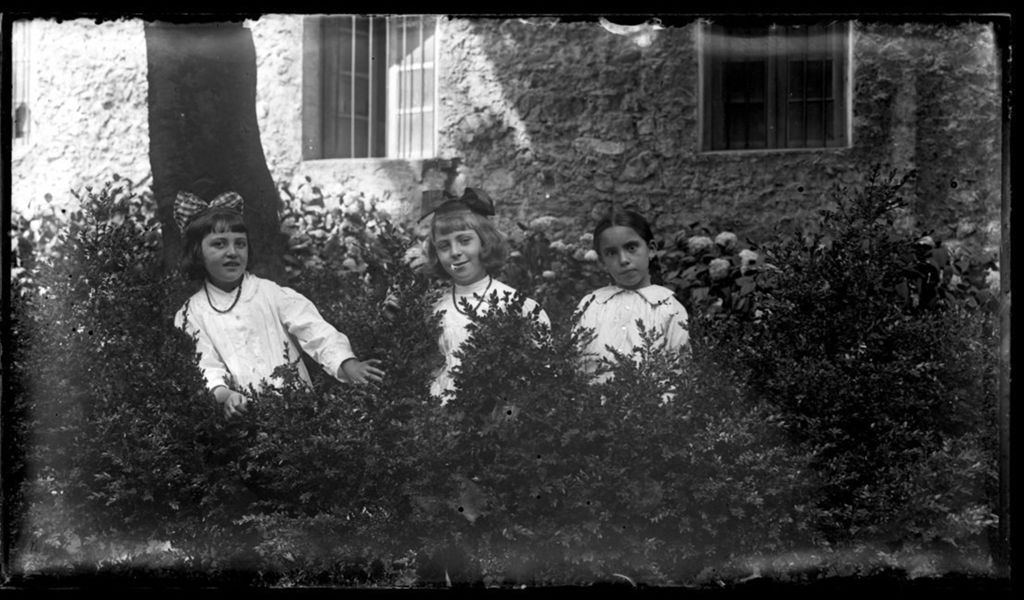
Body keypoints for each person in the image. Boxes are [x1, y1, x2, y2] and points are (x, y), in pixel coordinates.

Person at [172, 190, 384, 418]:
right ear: (197, 252)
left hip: (298, 411)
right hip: (240, 422)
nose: (232, 252)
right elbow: (205, 367)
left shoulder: (269, 293)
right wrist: (226, 396)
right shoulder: (191, 314)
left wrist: (348, 364)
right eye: (219, 244)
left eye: (240, 244)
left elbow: (314, 330)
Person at [421, 187, 550, 400]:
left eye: (464, 240)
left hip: (500, 416)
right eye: (444, 246)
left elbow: (542, 371)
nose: (455, 252)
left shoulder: (516, 305)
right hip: (441, 415)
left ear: (484, 242)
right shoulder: (435, 307)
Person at [575, 209, 689, 383]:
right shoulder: (591, 305)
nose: (623, 260)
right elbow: (577, 365)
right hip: (595, 406)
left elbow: (680, 373)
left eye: (631, 248)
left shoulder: (670, 308)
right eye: (611, 253)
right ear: (602, 262)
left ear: (650, 250)